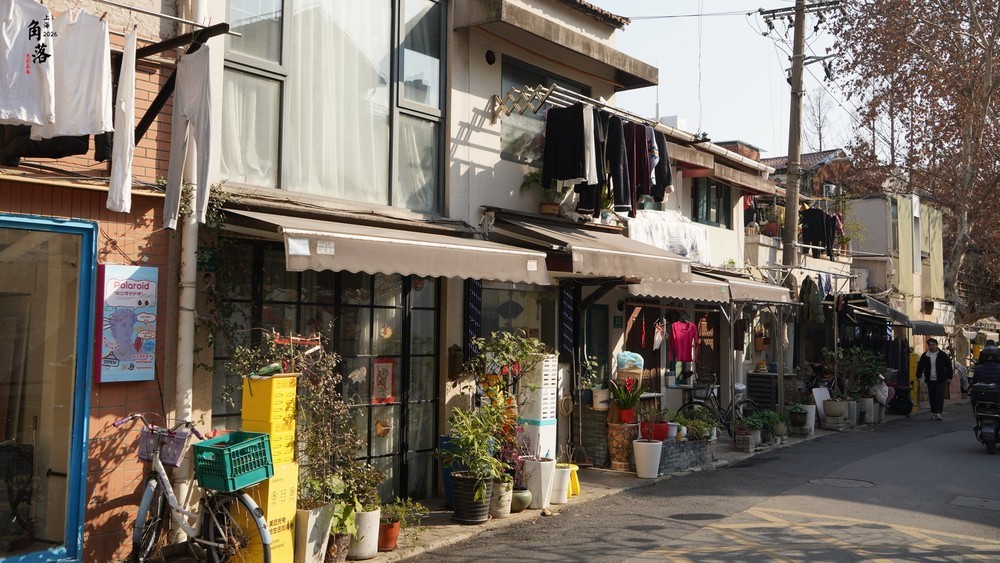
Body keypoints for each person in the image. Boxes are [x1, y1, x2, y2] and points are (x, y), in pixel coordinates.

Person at [915, 338, 953, 420]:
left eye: (933, 345)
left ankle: (939, 412)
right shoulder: (925, 356)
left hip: (941, 379)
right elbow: (921, 366)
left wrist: (949, 377)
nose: (932, 346)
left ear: (936, 345)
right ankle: (934, 412)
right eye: (930, 345)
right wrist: (918, 376)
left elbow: (948, 366)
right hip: (930, 379)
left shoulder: (942, 355)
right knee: (932, 396)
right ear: (928, 346)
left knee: (939, 395)